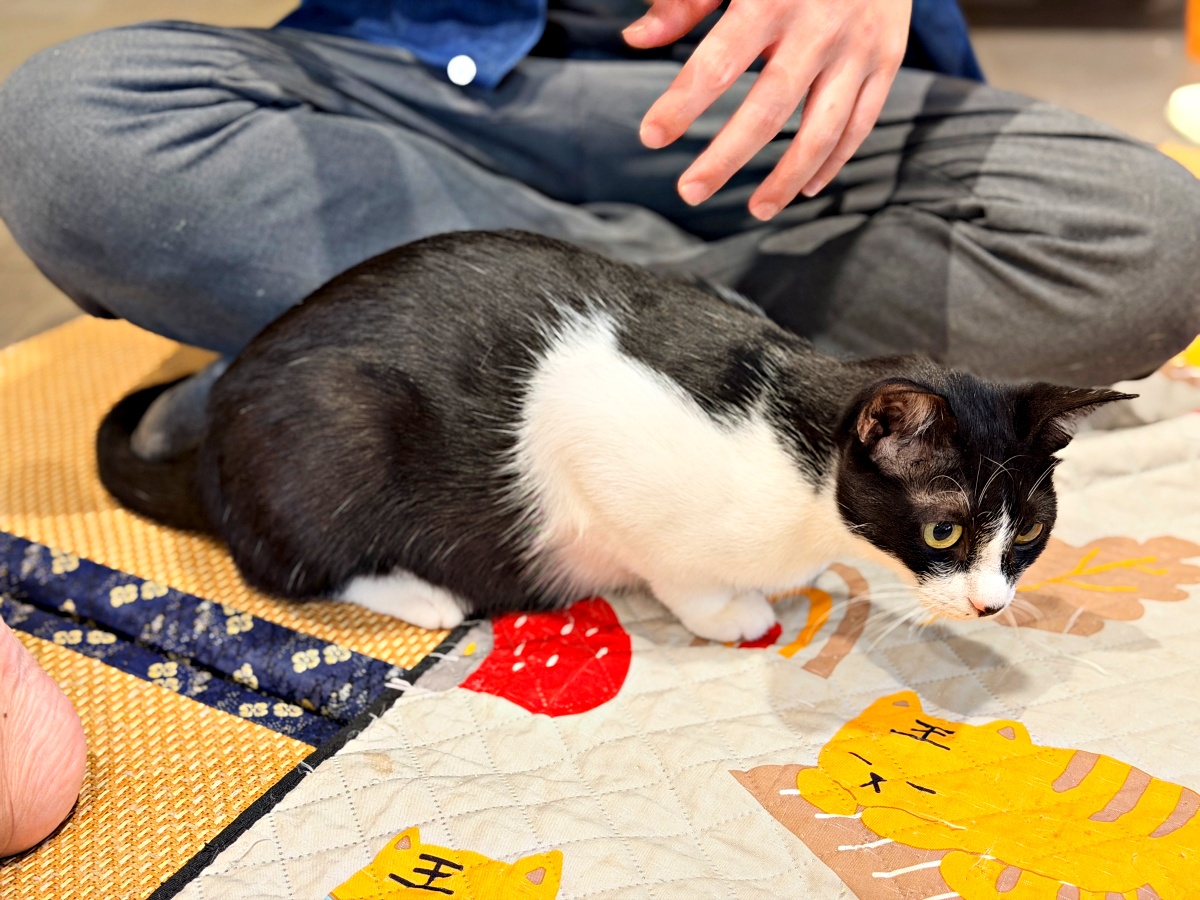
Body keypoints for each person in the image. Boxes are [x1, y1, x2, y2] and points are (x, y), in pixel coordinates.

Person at [0, 0, 1197, 857]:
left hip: (790, 98)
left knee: (1154, 231)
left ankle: (512, 312)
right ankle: (632, 313)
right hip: (443, 75)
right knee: (68, 123)